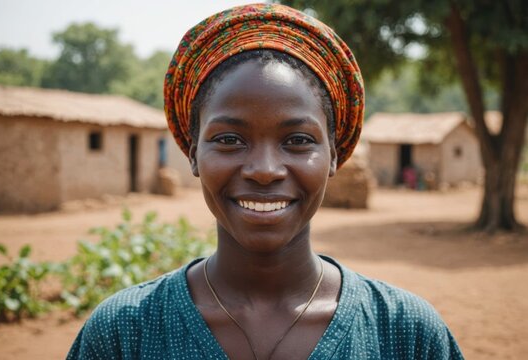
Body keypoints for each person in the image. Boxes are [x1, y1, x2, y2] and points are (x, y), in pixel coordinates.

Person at [67, 3, 464, 359]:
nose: (264, 169)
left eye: (297, 140)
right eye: (229, 139)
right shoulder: (123, 334)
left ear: (335, 155)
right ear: (191, 153)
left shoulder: (406, 335)